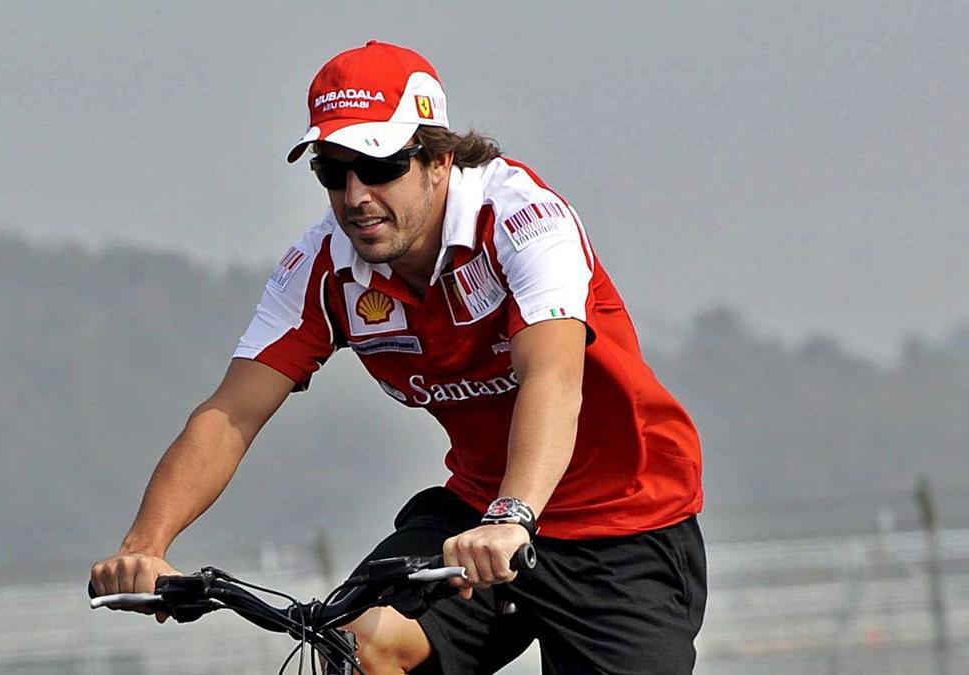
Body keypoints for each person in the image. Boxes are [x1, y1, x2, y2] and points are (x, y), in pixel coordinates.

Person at [91, 40, 706, 674]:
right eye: (334, 171)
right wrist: (145, 546)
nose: (355, 196)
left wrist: (514, 515)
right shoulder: (325, 265)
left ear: (439, 160)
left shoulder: (523, 221)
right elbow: (230, 415)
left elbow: (551, 377)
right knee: (360, 643)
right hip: (474, 518)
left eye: (379, 165)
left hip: (622, 524)